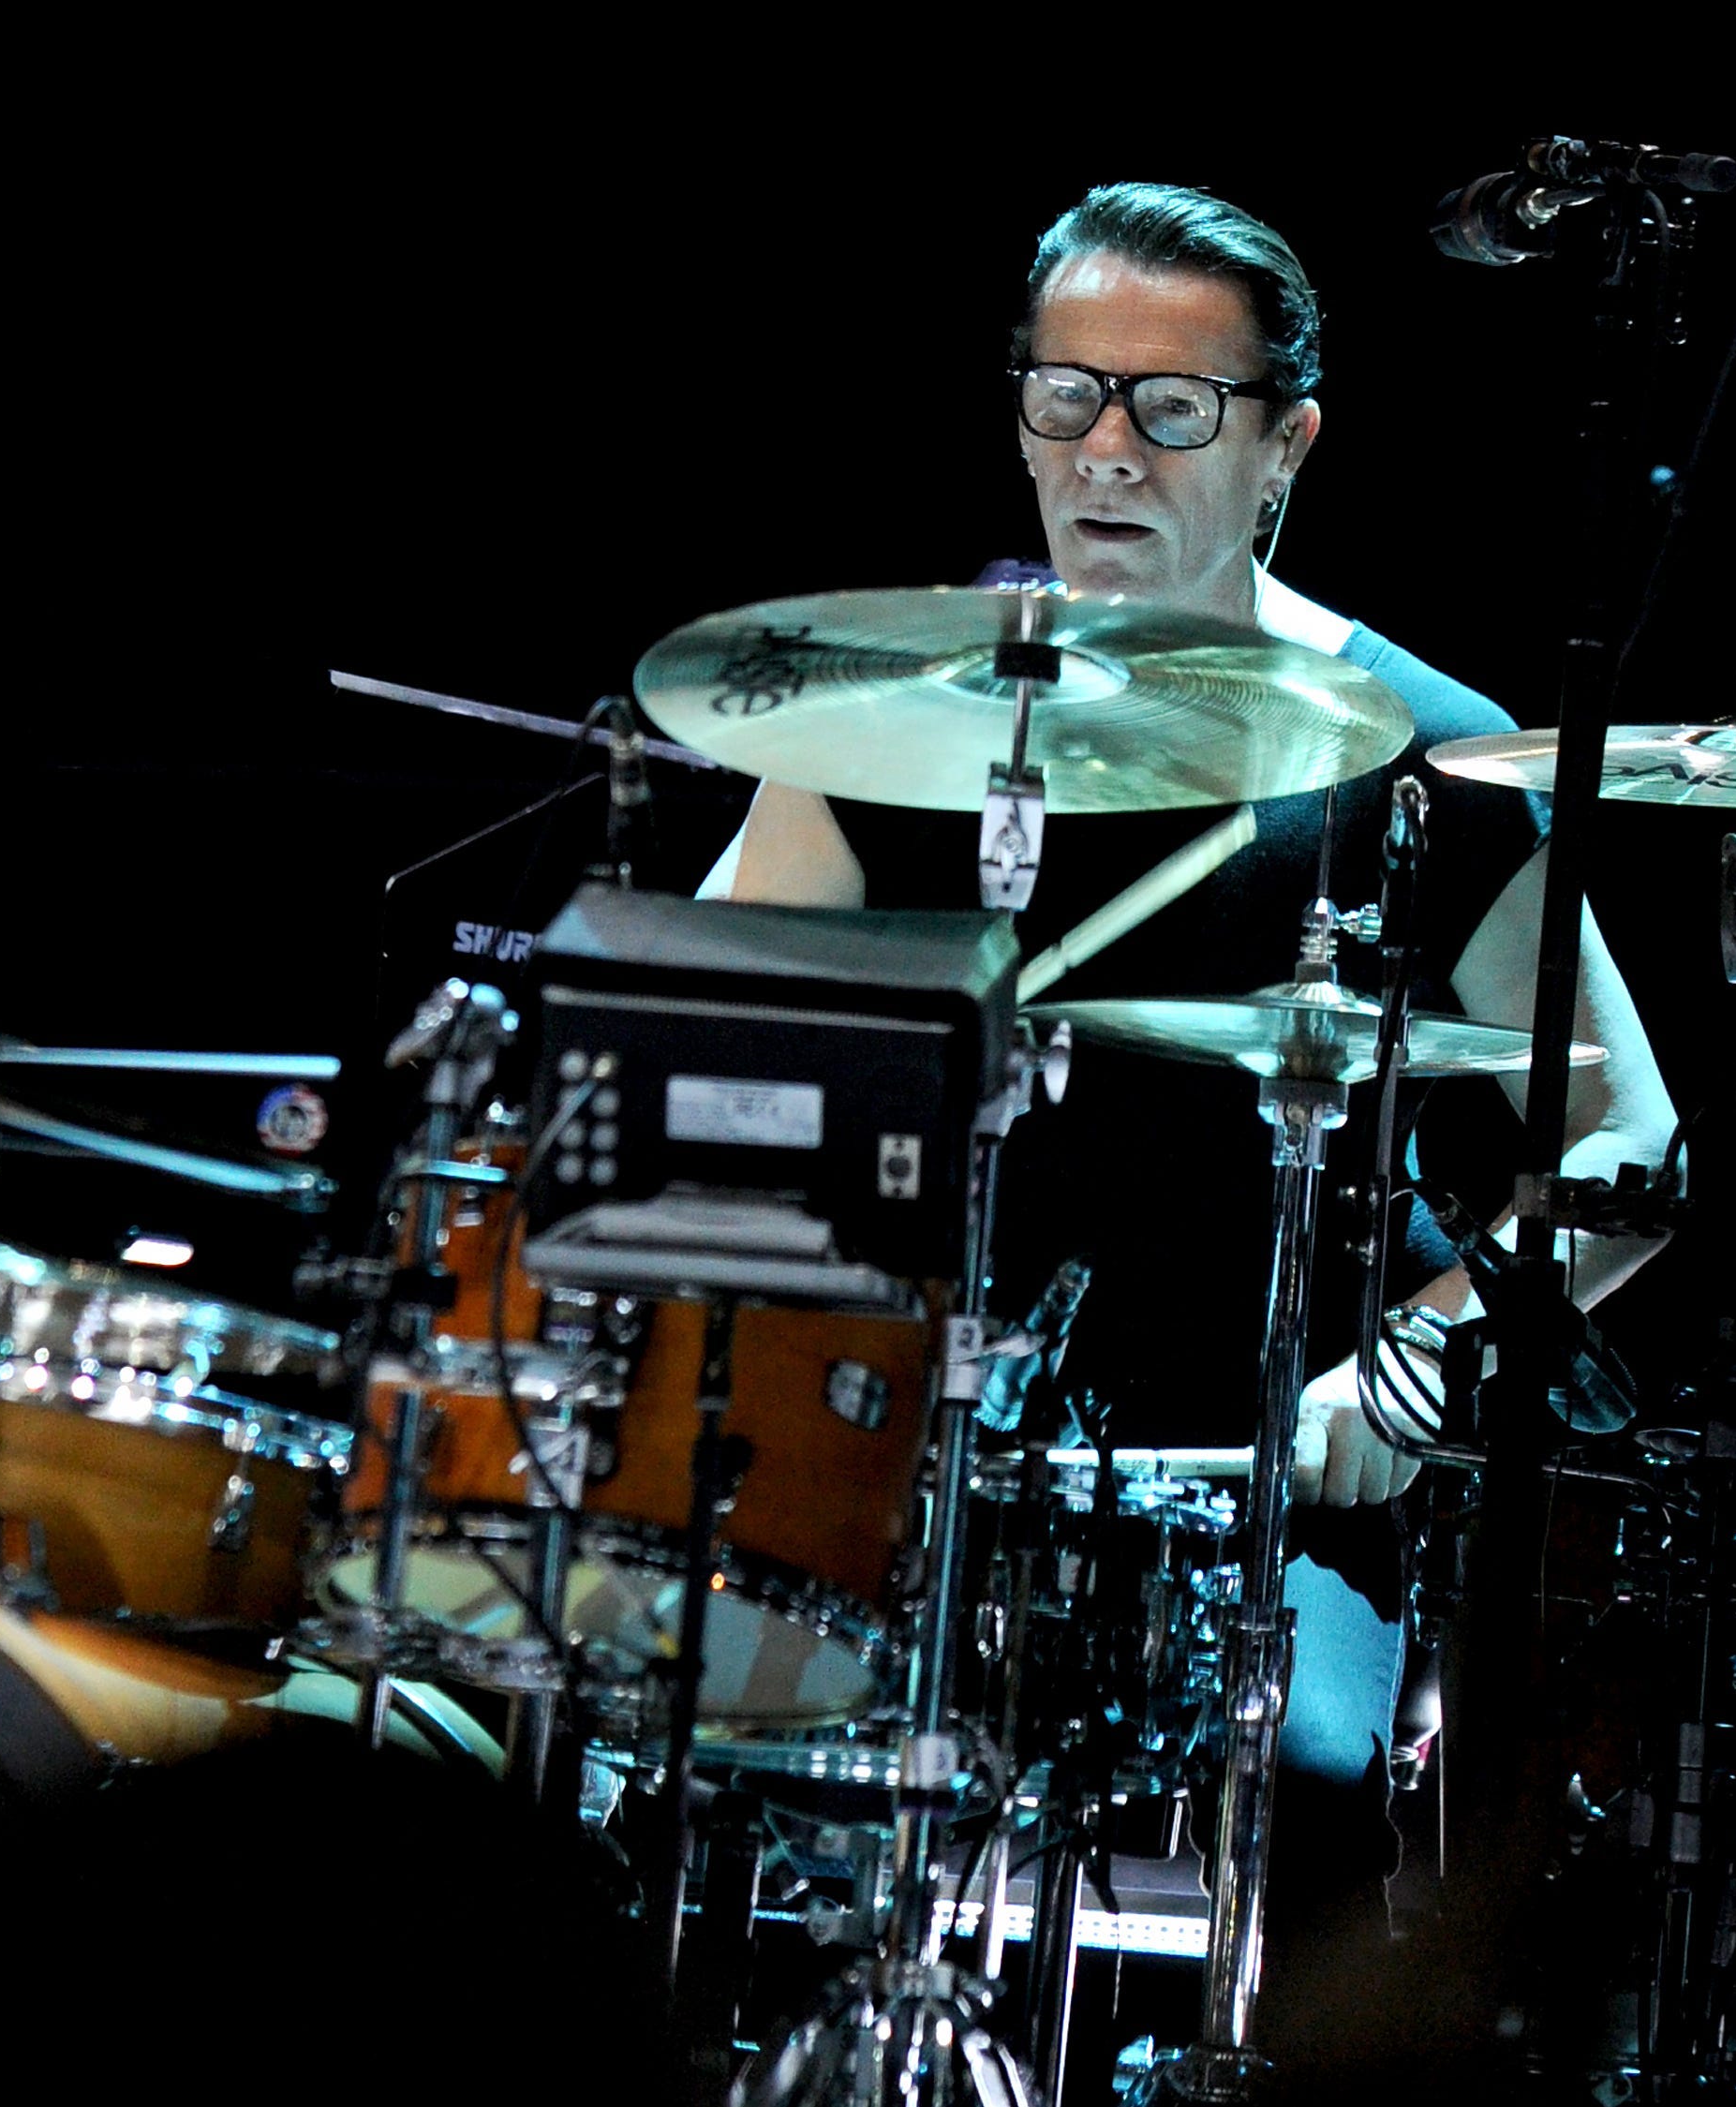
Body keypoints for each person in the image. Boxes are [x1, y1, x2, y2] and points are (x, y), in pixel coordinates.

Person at [700, 184, 1677, 1824]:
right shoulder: (903, 718)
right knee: (683, 1736)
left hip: (1267, 1485)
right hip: (923, 1455)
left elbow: (1629, 1133)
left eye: (1172, 408)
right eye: (1065, 392)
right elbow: (711, 1068)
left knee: (1282, 1778)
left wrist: (1416, 1369)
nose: (1105, 450)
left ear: (1288, 442)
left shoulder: (1426, 746)